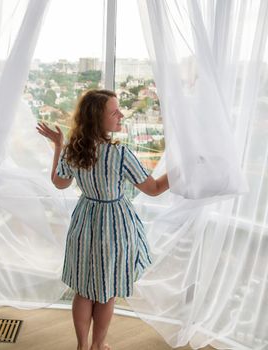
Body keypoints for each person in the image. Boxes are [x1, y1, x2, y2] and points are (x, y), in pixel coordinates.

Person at [36, 89, 169, 350]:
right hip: (114, 227)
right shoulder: (120, 155)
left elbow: (59, 183)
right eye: (115, 112)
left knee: (84, 290)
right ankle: (98, 346)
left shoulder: (74, 150)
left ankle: (82, 346)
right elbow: (153, 189)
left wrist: (58, 146)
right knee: (106, 291)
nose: (121, 115)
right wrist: (184, 170)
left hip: (85, 223)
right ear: (98, 119)